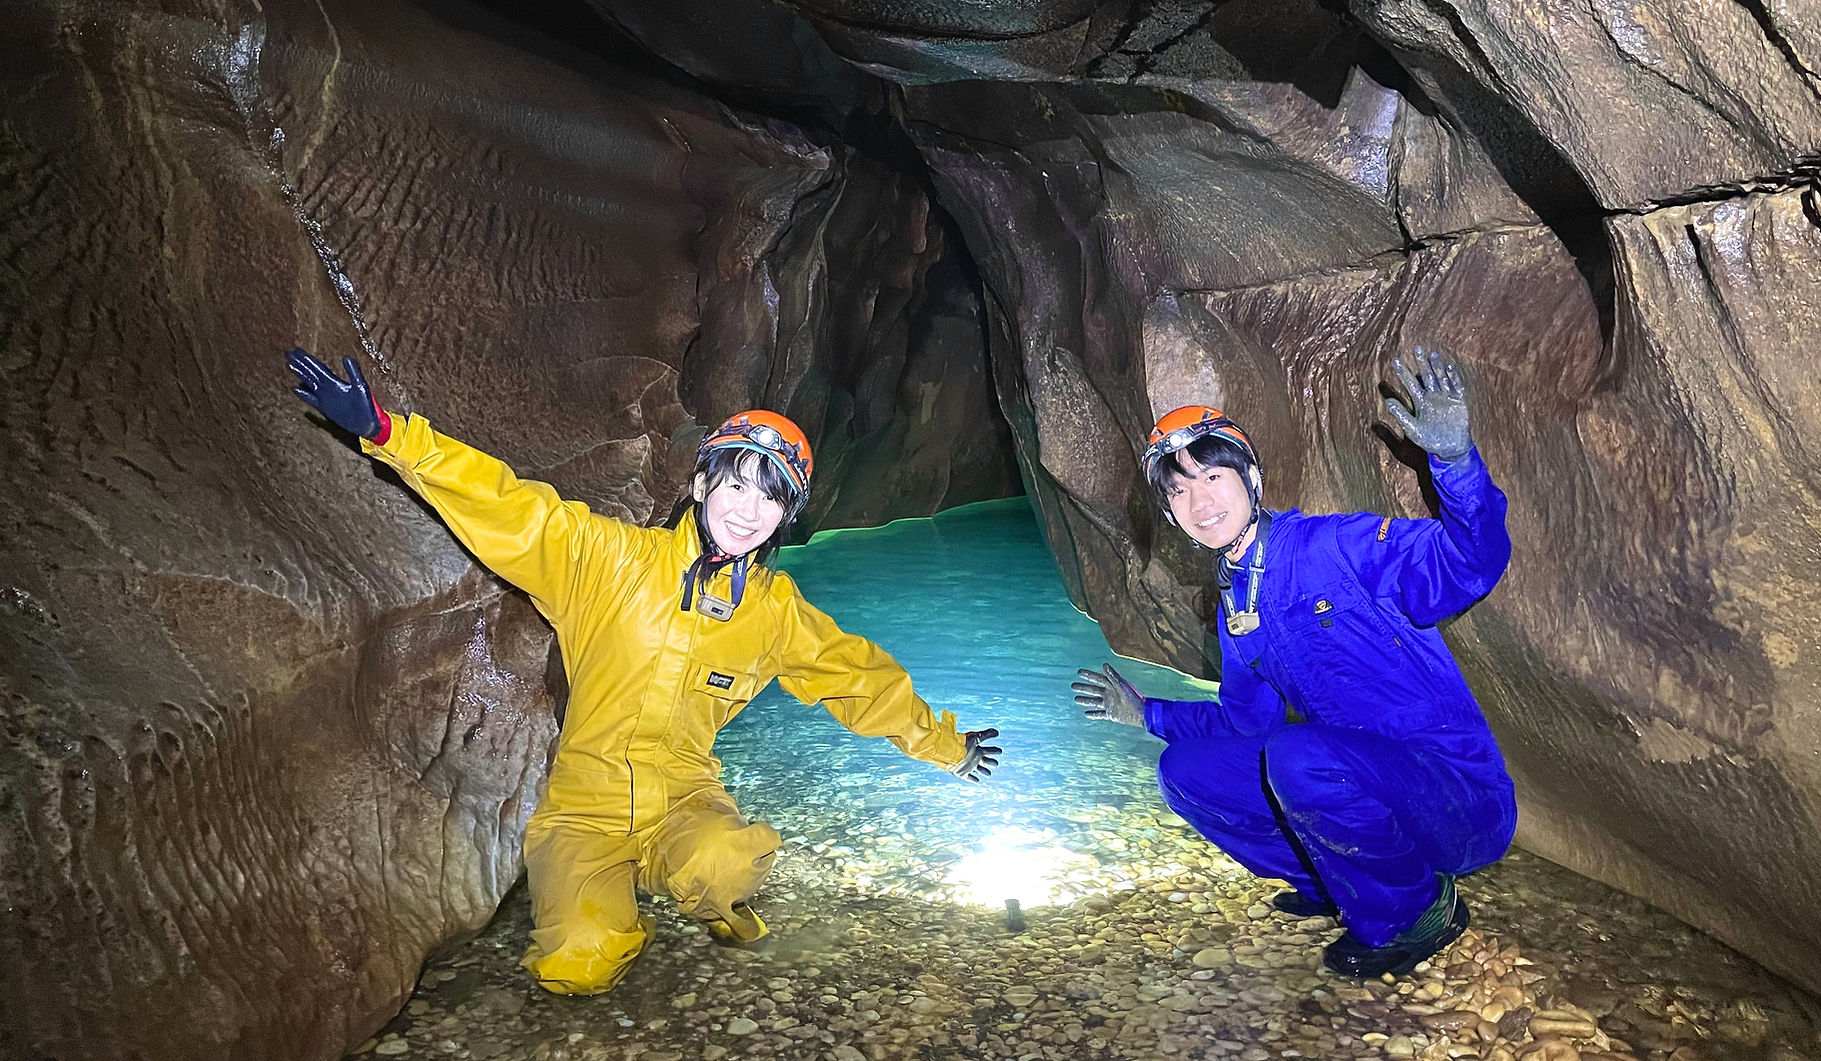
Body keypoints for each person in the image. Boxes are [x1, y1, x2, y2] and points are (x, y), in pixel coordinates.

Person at [287, 348, 1003, 995]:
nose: (748, 510)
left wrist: (946, 745)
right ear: (700, 485)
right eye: (735, 486)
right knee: (576, 965)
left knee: (730, 864)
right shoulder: (607, 560)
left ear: (785, 515)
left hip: (682, 797)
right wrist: (388, 433)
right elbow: (507, 508)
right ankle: (613, 911)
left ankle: (711, 901)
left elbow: (860, 679)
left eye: (771, 496)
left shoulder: (774, 613)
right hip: (586, 803)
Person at [1073, 349, 1514, 978]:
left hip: (1458, 800)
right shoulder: (1235, 609)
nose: (1200, 503)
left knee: (1297, 757)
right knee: (1186, 773)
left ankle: (1415, 910)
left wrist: (1456, 463)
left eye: (1213, 477)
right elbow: (1246, 726)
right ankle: (1336, 878)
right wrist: (1147, 713)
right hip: (1367, 787)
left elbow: (1467, 564)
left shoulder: (1334, 546)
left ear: (1249, 479)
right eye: (1179, 490)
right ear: (1170, 514)